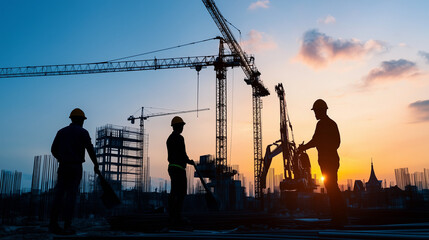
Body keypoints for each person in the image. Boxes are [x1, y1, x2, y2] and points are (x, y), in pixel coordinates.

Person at [49, 108, 100, 235]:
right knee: (71, 197)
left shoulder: (61, 132)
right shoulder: (83, 132)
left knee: (59, 195)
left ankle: (53, 225)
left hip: (63, 166)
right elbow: (90, 149)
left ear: (71, 119)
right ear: (81, 120)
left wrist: (61, 158)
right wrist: (96, 164)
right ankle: (67, 226)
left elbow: (53, 149)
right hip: (75, 167)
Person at [297, 99, 347, 226]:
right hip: (329, 161)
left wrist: (304, 147)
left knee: (332, 189)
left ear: (322, 110)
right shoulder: (330, 124)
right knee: (332, 188)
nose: (315, 114)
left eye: (316, 111)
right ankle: (339, 217)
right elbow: (321, 141)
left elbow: (318, 141)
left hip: (329, 161)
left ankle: (339, 218)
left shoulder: (324, 124)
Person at [166, 116, 194, 227]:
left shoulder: (169, 138)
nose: (182, 128)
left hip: (172, 168)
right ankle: (177, 216)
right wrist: (189, 161)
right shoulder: (179, 138)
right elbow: (182, 153)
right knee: (181, 193)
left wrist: (187, 160)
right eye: (181, 126)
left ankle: (173, 216)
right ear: (177, 126)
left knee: (174, 193)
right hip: (179, 169)